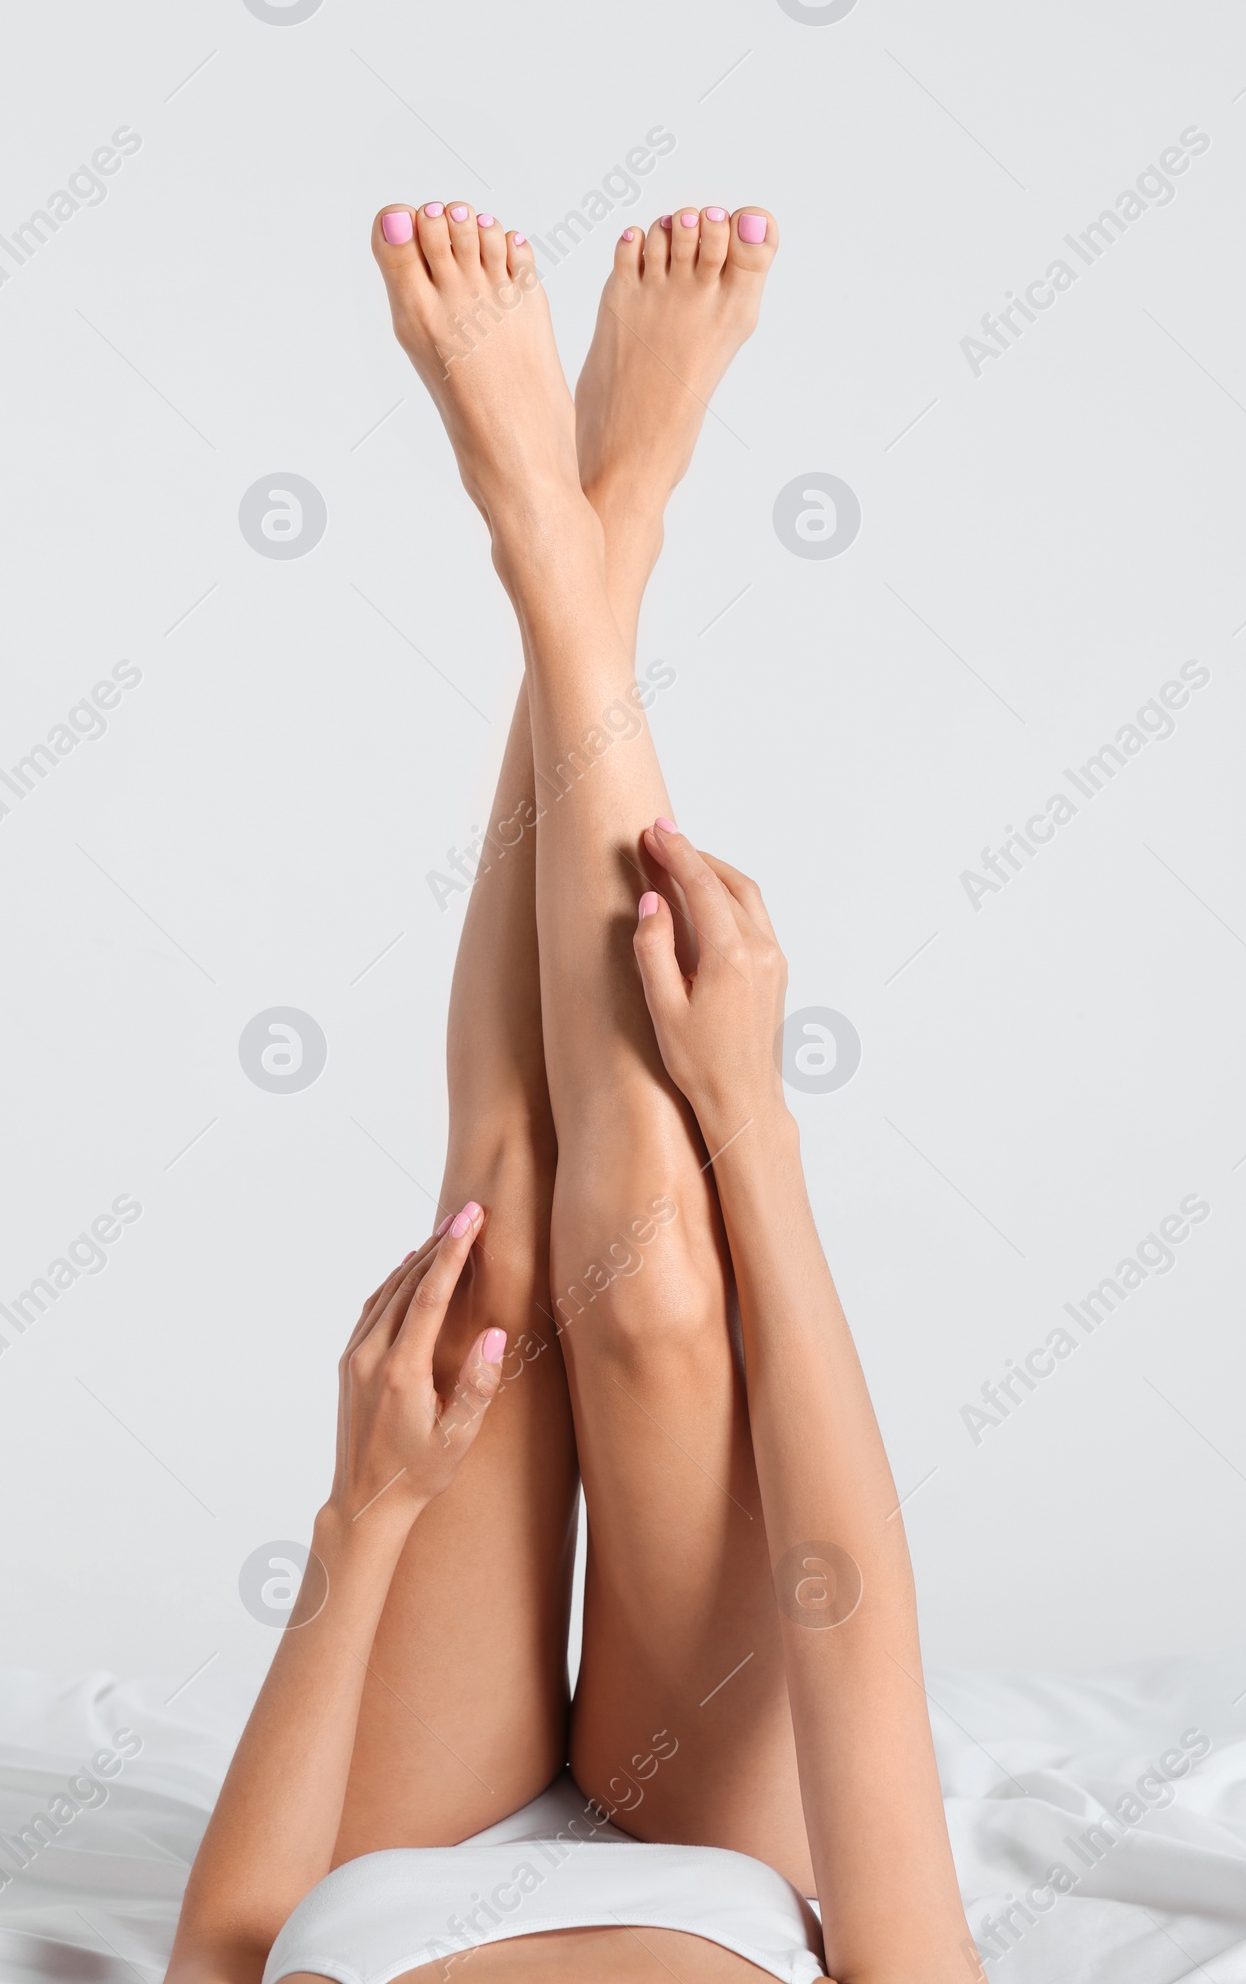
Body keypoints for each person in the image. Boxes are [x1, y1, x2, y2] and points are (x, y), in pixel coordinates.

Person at [166, 200, 982, 1984]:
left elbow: (223, 1952)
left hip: (392, 1845)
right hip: (715, 1837)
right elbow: (854, 1634)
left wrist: (363, 1516)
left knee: (513, 1226)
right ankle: (582, 546)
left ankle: (578, 545)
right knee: (669, 1280)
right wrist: (751, 1117)